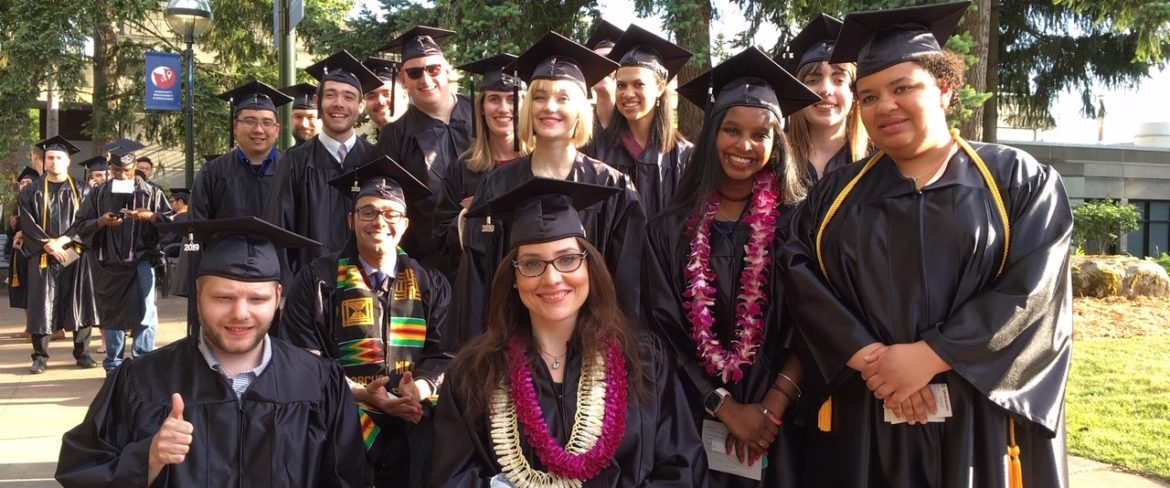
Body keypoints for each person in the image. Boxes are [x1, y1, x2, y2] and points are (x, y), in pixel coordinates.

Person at [783, 3, 1073, 487]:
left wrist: (930, 356)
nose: (884, 107)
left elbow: (1034, 290)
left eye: (903, 88)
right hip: (869, 408)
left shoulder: (1017, 181)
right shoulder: (836, 197)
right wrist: (868, 356)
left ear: (944, 88)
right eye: (869, 96)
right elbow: (798, 270)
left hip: (978, 413)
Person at [56, 217, 370, 487]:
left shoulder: (318, 382)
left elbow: (348, 478)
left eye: (257, 300)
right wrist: (146, 459)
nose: (241, 313)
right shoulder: (141, 380)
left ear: (278, 297)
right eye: (223, 297)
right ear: (198, 293)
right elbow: (81, 470)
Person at [432, 179, 704, 487]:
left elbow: (681, 467)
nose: (552, 278)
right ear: (513, 277)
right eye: (532, 263)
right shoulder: (476, 372)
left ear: (590, 267)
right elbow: (450, 477)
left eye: (567, 259)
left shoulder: (643, 360)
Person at [643, 47, 820, 486]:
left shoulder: (798, 224)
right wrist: (721, 404)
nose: (744, 145)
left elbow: (816, 323)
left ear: (776, 143)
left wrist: (773, 404)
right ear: (711, 136)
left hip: (784, 420)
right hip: (688, 418)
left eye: (760, 135)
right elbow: (657, 330)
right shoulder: (667, 230)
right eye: (731, 130)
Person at [450, 32, 645, 351]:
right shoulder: (496, 185)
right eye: (539, 96)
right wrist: (477, 354)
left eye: (563, 98)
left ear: (581, 108)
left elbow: (630, 284)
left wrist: (619, 351)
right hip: (511, 349)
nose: (549, 107)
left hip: (593, 347)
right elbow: (477, 280)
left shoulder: (613, 187)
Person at [281, 156, 451, 487]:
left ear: (404, 224)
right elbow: (302, 361)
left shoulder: (430, 282)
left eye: (391, 214)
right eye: (368, 212)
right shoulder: (317, 281)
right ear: (351, 219)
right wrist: (362, 394)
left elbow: (445, 352)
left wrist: (417, 390)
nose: (379, 221)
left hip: (416, 427)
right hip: (342, 427)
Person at [185, 80, 293, 336]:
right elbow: (194, 234)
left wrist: (294, 286)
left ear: (277, 129)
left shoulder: (294, 169)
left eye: (267, 122)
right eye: (249, 121)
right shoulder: (213, 172)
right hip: (226, 281)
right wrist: (198, 284)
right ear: (235, 127)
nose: (259, 129)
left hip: (279, 281)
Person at [264, 50, 383, 277]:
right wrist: (287, 292)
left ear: (360, 105)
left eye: (348, 97)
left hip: (367, 288)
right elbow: (278, 230)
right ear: (318, 102)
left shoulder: (375, 159)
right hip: (309, 289)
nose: (339, 103)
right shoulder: (294, 161)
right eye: (330, 95)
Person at [374, 26, 474, 266]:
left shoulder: (481, 113)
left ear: (447, 69)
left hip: (489, 249)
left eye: (434, 69)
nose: (426, 79)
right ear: (402, 79)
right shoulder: (395, 135)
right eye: (415, 72)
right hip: (429, 263)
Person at [73, 140, 172, 373]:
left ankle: (142, 363)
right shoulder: (97, 195)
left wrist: (149, 217)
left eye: (126, 170)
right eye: (116, 170)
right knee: (111, 314)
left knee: (145, 312)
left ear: (135, 165)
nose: (121, 175)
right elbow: (80, 225)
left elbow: (170, 223)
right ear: (110, 168)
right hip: (108, 262)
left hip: (142, 260)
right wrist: (100, 222)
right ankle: (114, 366)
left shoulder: (152, 192)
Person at [432, 53, 527, 278]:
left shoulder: (538, 164)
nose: (503, 108)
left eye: (512, 99)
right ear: (482, 107)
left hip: (530, 280)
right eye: (494, 99)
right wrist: (466, 219)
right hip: (478, 282)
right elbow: (441, 235)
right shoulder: (462, 169)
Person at [584, 24, 694, 219]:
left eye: (638, 84)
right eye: (621, 85)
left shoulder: (684, 156)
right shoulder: (595, 150)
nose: (628, 94)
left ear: (660, 87)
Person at [19, 136, 98, 373]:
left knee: (80, 301)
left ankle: (82, 352)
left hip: (74, 252)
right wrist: (49, 245)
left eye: (59, 158)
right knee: (41, 304)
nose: (54, 161)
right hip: (42, 254)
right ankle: (40, 356)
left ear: (68, 160)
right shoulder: (31, 191)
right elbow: (27, 222)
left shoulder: (82, 189)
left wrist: (63, 241)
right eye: (50, 157)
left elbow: (86, 222)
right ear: (43, 161)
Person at [777, 13, 870, 184]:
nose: (825, 90)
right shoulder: (775, 163)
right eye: (813, 80)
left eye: (839, 80)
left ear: (855, 92)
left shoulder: (877, 162)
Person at [7, 166, 39, 311]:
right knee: (24, 289)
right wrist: (12, 227)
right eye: (22, 183)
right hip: (20, 253)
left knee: (37, 290)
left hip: (37, 252)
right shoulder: (17, 205)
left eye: (28, 182)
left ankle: (56, 329)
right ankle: (29, 326)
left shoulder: (41, 202)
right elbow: (11, 237)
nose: (24, 185)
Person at [584, 20, 625, 131]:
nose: (601, 66)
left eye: (609, 59)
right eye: (595, 60)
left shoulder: (639, 132)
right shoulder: (576, 129)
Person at [363, 57, 408, 133]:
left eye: (387, 93)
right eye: (371, 96)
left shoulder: (430, 137)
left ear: (404, 96)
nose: (380, 101)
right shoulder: (362, 144)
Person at [279, 82, 322, 147]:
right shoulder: (284, 157)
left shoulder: (335, 156)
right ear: (291, 119)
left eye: (311, 117)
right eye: (298, 117)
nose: (304, 124)